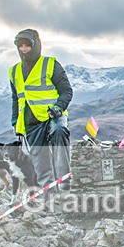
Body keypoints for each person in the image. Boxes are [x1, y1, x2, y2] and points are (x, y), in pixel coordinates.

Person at [10, 28, 73, 193]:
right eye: (20, 46)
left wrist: (58, 108)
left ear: (36, 45)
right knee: (41, 163)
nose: (23, 49)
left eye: (27, 45)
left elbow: (66, 91)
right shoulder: (14, 71)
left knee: (60, 131)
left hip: (53, 115)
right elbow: (16, 98)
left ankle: (65, 185)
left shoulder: (51, 64)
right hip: (30, 122)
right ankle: (50, 199)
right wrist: (15, 120)